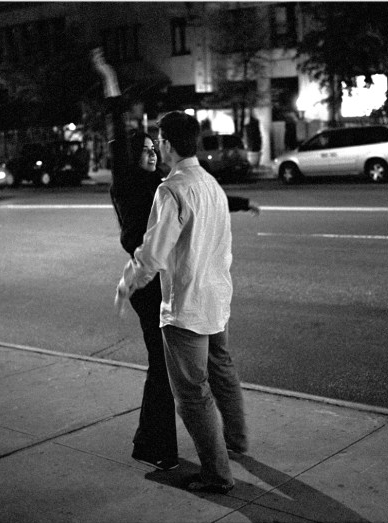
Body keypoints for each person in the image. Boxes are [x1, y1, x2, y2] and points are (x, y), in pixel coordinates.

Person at [91, 49, 258, 476]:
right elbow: (118, 131)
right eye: (144, 149)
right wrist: (110, 82)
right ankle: (163, 445)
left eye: (155, 146)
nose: (151, 152)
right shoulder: (131, 182)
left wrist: (240, 202)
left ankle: (166, 447)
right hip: (157, 286)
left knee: (179, 375)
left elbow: (192, 206)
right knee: (171, 371)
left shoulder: (167, 184)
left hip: (169, 282)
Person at [113, 109, 249, 495]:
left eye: (158, 140)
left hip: (187, 307)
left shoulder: (171, 190)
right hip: (216, 300)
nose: (156, 146)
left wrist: (126, 284)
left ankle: (217, 476)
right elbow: (223, 246)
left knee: (192, 394)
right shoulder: (210, 185)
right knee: (221, 370)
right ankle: (237, 441)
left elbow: (152, 255)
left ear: (168, 144)